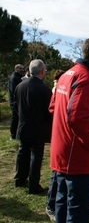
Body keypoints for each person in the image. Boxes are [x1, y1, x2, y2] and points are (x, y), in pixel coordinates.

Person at [49, 36, 89, 223]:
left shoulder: (66, 75)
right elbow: (76, 117)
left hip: (63, 155)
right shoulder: (86, 80)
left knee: (63, 215)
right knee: (76, 220)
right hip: (79, 160)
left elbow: (54, 107)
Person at [14, 59, 52, 194]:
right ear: (42, 71)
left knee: (22, 153)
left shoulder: (20, 86)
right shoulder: (44, 90)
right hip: (38, 128)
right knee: (36, 156)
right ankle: (34, 185)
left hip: (23, 125)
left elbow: (16, 106)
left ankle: (19, 178)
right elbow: (49, 111)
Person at [46, 69, 66, 223]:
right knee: (56, 174)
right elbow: (52, 108)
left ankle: (61, 204)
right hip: (59, 134)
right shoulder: (58, 90)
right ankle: (51, 205)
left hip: (65, 136)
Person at [8, 64, 25, 140]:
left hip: (18, 100)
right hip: (14, 101)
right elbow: (13, 90)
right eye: (20, 68)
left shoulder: (19, 77)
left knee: (18, 117)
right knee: (15, 117)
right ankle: (13, 134)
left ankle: (16, 134)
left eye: (22, 68)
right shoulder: (14, 78)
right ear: (16, 69)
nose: (22, 70)